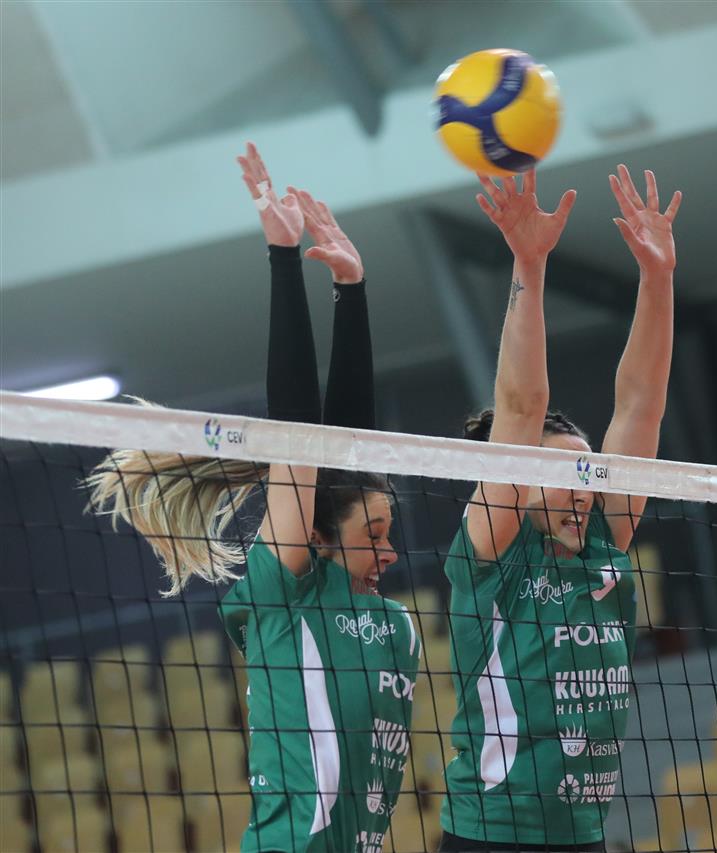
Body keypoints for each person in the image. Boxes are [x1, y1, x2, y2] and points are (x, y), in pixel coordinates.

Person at [86, 143, 419, 852]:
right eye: (374, 533)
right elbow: (300, 433)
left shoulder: (395, 624)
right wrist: (283, 256)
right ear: (318, 540)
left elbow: (347, 453)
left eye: (388, 532)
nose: (391, 551)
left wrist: (352, 288)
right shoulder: (286, 594)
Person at [438, 166, 681, 852]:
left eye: (586, 471)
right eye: (560, 474)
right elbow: (521, 407)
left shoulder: (603, 540)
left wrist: (658, 279)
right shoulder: (494, 550)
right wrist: (529, 263)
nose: (581, 488)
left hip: (582, 835)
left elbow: (640, 404)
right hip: (492, 835)